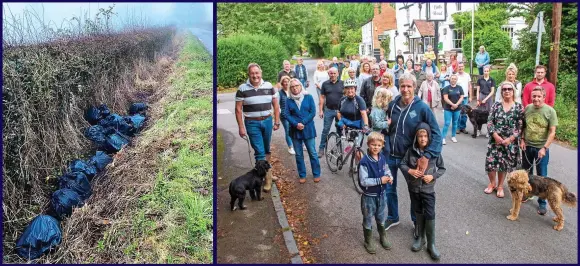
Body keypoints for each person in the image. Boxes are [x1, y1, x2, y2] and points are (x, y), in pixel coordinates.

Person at [384, 73, 442, 234]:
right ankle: (393, 216)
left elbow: (436, 133)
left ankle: (417, 222)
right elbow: (385, 127)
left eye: (409, 86)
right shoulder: (393, 104)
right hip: (390, 155)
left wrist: (427, 156)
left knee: (415, 192)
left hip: (410, 159)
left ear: (415, 87)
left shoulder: (422, 107)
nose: (405, 89)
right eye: (402, 86)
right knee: (389, 189)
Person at [400, 122, 445, 260]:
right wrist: (410, 171)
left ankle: (431, 244)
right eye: (420, 136)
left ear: (429, 137)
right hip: (414, 189)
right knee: (418, 212)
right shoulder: (410, 151)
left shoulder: (434, 153)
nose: (423, 139)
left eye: (425, 136)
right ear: (416, 138)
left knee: (430, 214)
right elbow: (402, 164)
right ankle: (421, 238)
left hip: (428, 190)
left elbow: (442, 169)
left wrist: (433, 176)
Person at [235, 63, 281, 192]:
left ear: (261, 73)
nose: (255, 75)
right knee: (260, 152)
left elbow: (276, 106)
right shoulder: (242, 89)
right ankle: (267, 180)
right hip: (252, 123)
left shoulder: (269, 86)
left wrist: (277, 121)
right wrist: (241, 127)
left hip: (267, 121)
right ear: (249, 74)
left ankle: (269, 173)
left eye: (257, 73)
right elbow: (238, 109)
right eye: (252, 73)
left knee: (266, 150)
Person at [520, 86, 558, 215]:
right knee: (527, 174)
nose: (536, 98)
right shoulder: (528, 108)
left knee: (542, 177)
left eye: (538, 96)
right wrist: (522, 139)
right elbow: (523, 126)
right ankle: (527, 193)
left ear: (543, 97)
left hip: (541, 148)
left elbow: (552, 132)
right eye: (534, 96)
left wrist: (544, 148)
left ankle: (542, 203)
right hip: (527, 146)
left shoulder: (550, 111)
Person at [484, 81, 523, 198]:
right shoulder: (496, 105)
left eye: (509, 89)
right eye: (504, 89)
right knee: (491, 163)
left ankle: (500, 186)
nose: (506, 91)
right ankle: (492, 183)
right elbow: (490, 121)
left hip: (509, 142)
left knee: (503, 164)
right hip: (494, 140)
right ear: (501, 92)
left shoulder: (519, 107)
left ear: (513, 91)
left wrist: (510, 139)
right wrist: (495, 135)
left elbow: (520, 126)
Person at [358, 132, 393, 254]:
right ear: (368, 145)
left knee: (381, 216)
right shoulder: (364, 162)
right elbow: (363, 181)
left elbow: (386, 169)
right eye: (373, 145)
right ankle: (368, 240)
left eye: (378, 145)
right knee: (368, 218)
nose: (376, 147)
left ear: (382, 145)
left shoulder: (382, 157)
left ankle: (383, 236)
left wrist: (389, 176)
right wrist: (380, 180)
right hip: (369, 197)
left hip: (382, 195)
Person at [285, 78, 321, 184]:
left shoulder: (308, 97)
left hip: (308, 129)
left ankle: (316, 173)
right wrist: (296, 124)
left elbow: (313, 112)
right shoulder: (288, 100)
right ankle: (302, 174)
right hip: (295, 131)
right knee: (299, 154)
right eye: (292, 87)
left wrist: (303, 123)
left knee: (313, 153)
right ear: (290, 89)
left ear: (301, 86)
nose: (295, 88)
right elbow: (286, 114)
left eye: (297, 86)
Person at [318, 67, 344, 157]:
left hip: (340, 111)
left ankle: (339, 147)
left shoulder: (342, 83)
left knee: (340, 129)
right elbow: (322, 97)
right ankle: (321, 148)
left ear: (337, 74)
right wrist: (320, 110)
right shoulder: (325, 84)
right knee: (325, 130)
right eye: (331, 73)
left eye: (334, 73)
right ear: (328, 74)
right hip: (328, 110)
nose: (332, 75)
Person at [337, 79, 370, 148]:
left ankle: (357, 157)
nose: (350, 91)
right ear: (345, 90)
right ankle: (342, 156)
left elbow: (363, 113)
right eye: (347, 88)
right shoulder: (342, 99)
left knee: (357, 148)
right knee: (346, 148)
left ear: (355, 89)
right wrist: (341, 121)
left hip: (357, 127)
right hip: (345, 126)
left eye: (352, 88)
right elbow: (339, 113)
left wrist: (366, 125)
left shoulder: (359, 100)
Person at [440, 74, 464, 145]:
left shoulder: (459, 88)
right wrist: (452, 104)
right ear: (450, 79)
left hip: (457, 108)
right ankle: (443, 138)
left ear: (456, 80)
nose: (453, 80)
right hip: (448, 108)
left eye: (454, 79)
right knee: (447, 123)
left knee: (455, 122)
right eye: (452, 79)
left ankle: (453, 136)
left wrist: (456, 105)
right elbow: (445, 98)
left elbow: (462, 97)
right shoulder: (446, 88)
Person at [277, 76, 295, 155]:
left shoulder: (292, 90)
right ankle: (290, 147)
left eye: (288, 81)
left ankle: (299, 144)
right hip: (284, 115)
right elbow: (277, 105)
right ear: (282, 83)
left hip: (293, 114)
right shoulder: (279, 93)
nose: (286, 83)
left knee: (295, 129)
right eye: (284, 81)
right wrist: (281, 113)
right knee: (288, 130)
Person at [456, 62, 472, 134]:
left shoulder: (467, 75)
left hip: (465, 97)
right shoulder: (455, 75)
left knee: (465, 114)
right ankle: (458, 128)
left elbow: (469, 86)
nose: (460, 68)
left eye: (462, 66)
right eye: (459, 66)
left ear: (464, 67)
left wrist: (471, 96)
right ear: (457, 67)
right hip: (457, 98)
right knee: (458, 113)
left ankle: (463, 127)